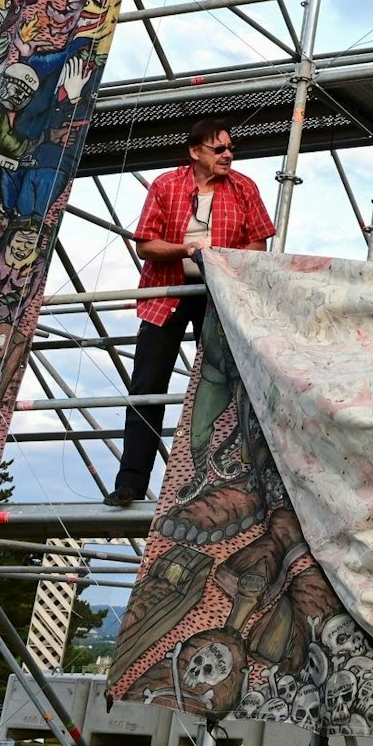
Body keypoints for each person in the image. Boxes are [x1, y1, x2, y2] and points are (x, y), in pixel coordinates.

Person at [106, 117, 276, 507]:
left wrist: (221, 261)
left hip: (218, 296)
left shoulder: (244, 187)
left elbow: (258, 245)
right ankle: (130, 482)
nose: (228, 155)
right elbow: (145, 245)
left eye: (231, 148)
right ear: (195, 151)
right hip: (167, 293)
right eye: (219, 149)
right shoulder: (166, 185)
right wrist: (189, 250)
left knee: (223, 385)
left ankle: (223, 477)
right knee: (148, 387)